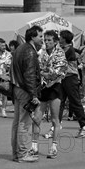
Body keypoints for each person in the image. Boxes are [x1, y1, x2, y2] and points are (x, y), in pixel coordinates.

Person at [31, 30, 67, 159]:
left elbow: (59, 71)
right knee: (36, 118)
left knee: (55, 119)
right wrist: (46, 72)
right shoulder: (41, 52)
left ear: (56, 41)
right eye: (45, 40)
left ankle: (54, 147)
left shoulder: (60, 53)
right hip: (42, 87)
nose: (46, 42)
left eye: (49, 40)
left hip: (55, 87)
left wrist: (46, 72)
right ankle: (34, 146)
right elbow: (37, 68)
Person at [11, 25, 43, 163]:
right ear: (32, 37)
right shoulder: (29, 51)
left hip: (17, 88)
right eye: (40, 36)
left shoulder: (20, 48)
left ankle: (17, 153)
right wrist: (34, 95)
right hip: (25, 90)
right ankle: (23, 153)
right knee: (25, 123)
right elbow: (29, 75)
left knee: (17, 122)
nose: (42, 39)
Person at [58, 29, 85, 138]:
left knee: (75, 101)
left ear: (64, 39)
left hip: (70, 78)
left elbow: (61, 59)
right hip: (63, 78)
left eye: (60, 37)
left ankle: (84, 126)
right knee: (60, 101)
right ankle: (56, 125)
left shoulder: (69, 50)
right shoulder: (63, 49)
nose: (59, 38)